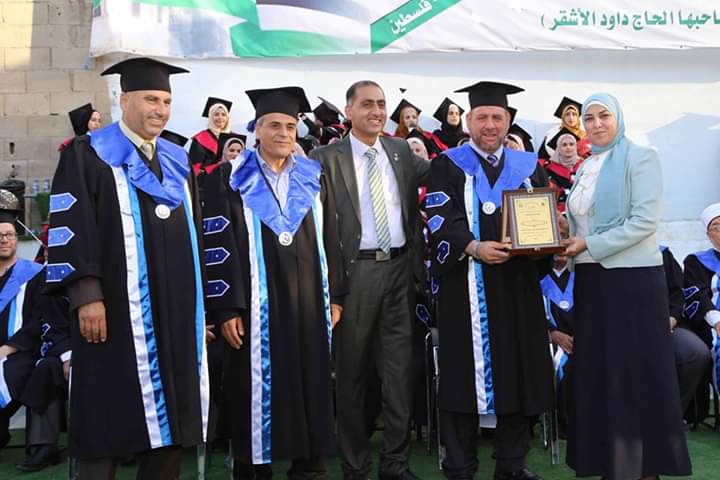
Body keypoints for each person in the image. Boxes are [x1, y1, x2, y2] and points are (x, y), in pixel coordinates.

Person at [45, 57, 209, 479]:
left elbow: (194, 235)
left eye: (167, 101)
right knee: (106, 411)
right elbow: (71, 225)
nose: (161, 109)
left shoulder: (176, 158)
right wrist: (87, 295)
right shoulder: (88, 153)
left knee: (172, 414)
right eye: (151, 99)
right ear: (124, 100)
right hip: (115, 310)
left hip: (174, 312)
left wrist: (200, 308)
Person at [201, 86, 347, 479]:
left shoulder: (313, 177)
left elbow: (331, 236)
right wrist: (226, 308)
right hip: (254, 305)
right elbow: (217, 244)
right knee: (253, 389)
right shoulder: (230, 178)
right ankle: (252, 470)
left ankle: (309, 468)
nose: (283, 133)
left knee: (310, 382)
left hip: (308, 302)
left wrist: (335, 295)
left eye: (289, 126)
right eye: (274, 125)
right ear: (257, 129)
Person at [427, 80, 553, 480]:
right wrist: (472, 246)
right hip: (466, 285)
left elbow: (543, 220)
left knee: (519, 372)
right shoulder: (447, 164)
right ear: (469, 121)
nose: (490, 125)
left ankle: (512, 464)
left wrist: (550, 238)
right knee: (463, 376)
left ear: (508, 121)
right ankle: (460, 465)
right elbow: (438, 218)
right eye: (482, 117)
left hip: (518, 287)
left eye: (497, 117)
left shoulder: (528, 166)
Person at [562, 92, 691, 480]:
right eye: (589, 118)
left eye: (604, 115)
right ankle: (612, 464)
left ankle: (644, 468)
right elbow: (583, 221)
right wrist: (559, 235)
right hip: (591, 281)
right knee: (601, 375)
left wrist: (588, 243)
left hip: (631, 282)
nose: (597, 124)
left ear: (618, 118)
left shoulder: (640, 157)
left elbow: (644, 222)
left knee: (634, 375)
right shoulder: (585, 167)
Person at [310, 80, 429, 480]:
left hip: (400, 273)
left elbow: (442, 173)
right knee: (352, 377)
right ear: (349, 111)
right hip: (354, 276)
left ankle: (395, 464)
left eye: (381, 104)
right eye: (367, 104)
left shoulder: (400, 151)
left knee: (399, 374)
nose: (376, 111)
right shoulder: (325, 157)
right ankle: (355, 466)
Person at [0, 192, 70, 472]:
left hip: (20, 350)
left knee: (16, 371)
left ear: (16, 239)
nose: (4, 240)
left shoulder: (33, 274)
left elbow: (37, 321)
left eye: (9, 235)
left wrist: (8, 348)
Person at [660, 244, 712, 419]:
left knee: (695, 352)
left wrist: (671, 320)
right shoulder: (606, 253)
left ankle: (672, 416)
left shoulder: (661, 254)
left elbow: (678, 294)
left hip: (667, 325)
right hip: (625, 329)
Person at [683, 204, 720, 401]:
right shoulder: (696, 262)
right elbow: (698, 296)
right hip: (713, 324)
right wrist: (717, 321)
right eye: (717, 227)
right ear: (708, 235)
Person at [541, 255, 574, 437]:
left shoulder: (579, 280)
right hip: (549, 341)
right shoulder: (539, 281)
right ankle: (561, 422)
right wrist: (553, 334)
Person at [540, 129, 583, 212]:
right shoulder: (548, 168)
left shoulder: (584, 165)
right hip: (558, 211)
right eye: (564, 145)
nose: (568, 147)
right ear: (558, 148)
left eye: (571, 144)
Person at [189, 96, 234, 175]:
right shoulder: (200, 138)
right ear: (210, 117)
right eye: (216, 114)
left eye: (223, 114)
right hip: (207, 180)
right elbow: (194, 168)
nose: (220, 117)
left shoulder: (235, 138)